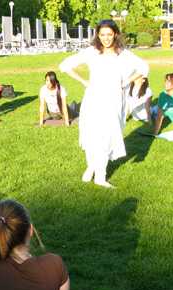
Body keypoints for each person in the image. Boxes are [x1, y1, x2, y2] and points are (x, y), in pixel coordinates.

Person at [59, 19, 148, 188]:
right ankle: (92, 167)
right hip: (94, 99)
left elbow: (144, 68)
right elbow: (65, 65)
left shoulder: (123, 54)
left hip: (114, 100)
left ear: (115, 34)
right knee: (92, 135)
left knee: (107, 137)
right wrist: (84, 81)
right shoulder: (92, 52)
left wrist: (126, 82)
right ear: (97, 35)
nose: (106, 38)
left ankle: (100, 175)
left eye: (109, 34)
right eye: (102, 34)